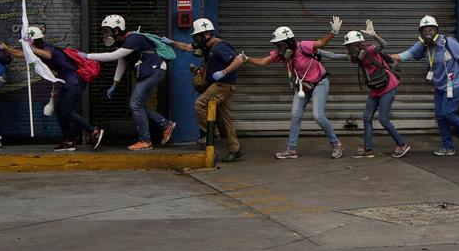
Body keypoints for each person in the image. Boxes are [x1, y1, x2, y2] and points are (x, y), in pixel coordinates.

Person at [243, 18, 344, 160]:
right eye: (276, 46)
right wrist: (247, 59)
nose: (278, 49)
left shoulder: (303, 46)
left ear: (289, 43)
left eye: (280, 45)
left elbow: (320, 43)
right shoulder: (281, 55)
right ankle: (291, 149)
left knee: (318, 116)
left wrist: (333, 32)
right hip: (303, 86)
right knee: (295, 115)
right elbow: (263, 61)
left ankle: (336, 143)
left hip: (319, 83)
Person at [391, 15, 459, 156]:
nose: (428, 32)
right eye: (424, 30)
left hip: (456, 82)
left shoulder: (447, 41)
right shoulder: (423, 45)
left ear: (436, 30)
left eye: (431, 29)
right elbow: (404, 56)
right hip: (440, 85)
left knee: (448, 112)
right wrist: (378, 55)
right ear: (420, 32)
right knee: (440, 116)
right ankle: (448, 147)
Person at [81, 15, 175, 152]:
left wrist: (87, 56)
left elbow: (113, 56)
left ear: (117, 30)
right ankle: (165, 124)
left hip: (155, 71)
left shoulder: (133, 38)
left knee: (135, 104)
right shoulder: (123, 43)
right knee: (137, 105)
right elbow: (122, 61)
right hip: (148, 73)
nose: (105, 35)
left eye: (107, 31)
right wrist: (115, 84)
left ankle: (145, 141)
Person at [169, 18, 245, 162]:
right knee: (226, 118)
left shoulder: (220, 46)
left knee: (200, 104)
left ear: (207, 34)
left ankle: (212, 133)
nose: (196, 39)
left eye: (198, 36)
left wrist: (224, 72)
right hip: (220, 85)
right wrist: (171, 42)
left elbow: (239, 59)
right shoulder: (206, 46)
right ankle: (235, 149)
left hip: (223, 85)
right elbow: (186, 47)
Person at [24, 26, 105, 152]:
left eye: (27, 42)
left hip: (74, 81)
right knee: (59, 110)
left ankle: (93, 131)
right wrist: (6, 49)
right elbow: (21, 54)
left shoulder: (47, 49)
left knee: (67, 112)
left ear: (32, 41)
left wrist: (31, 48)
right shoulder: (38, 50)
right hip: (68, 83)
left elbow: (48, 55)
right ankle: (69, 141)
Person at [342, 23, 409, 158]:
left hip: (389, 86)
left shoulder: (371, 49)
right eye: (349, 46)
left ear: (361, 44)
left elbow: (384, 45)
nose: (351, 49)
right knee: (367, 117)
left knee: (383, 119)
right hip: (375, 88)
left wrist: (374, 35)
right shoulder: (356, 58)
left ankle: (402, 144)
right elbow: (336, 56)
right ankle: (368, 149)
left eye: (353, 45)